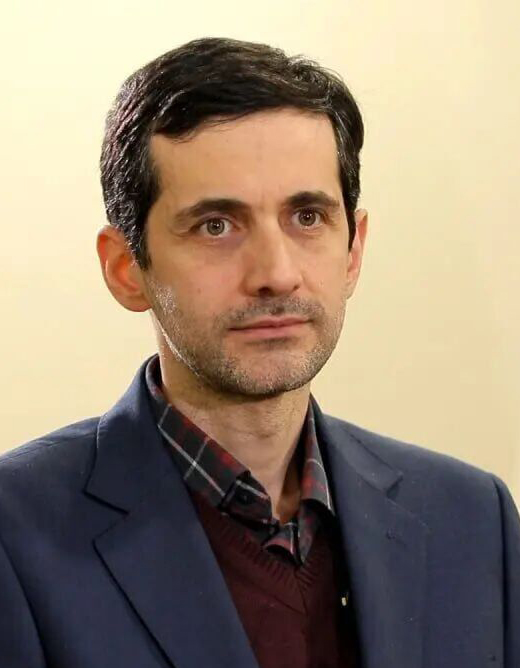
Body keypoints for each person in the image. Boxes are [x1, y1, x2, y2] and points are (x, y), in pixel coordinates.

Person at [0, 36, 518, 668]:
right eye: (216, 225)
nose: (276, 273)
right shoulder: (15, 535)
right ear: (126, 268)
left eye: (308, 217)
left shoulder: (473, 519)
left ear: (353, 251)